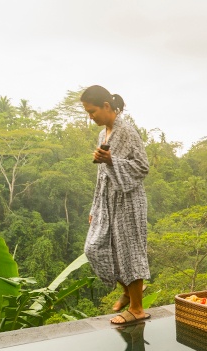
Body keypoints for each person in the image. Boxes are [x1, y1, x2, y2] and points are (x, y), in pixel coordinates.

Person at [81, 85, 151, 325]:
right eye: (88, 112)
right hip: (107, 200)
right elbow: (101, 175)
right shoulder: (104, 134)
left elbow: (142, 167)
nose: (91, 116)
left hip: (129, 200)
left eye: (92, 111)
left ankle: (137, 308)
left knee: (129, 252)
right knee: (95, 248)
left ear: (106, 106)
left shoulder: (127, 131)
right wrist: (94, 208)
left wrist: (112, 161)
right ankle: (129, 290)